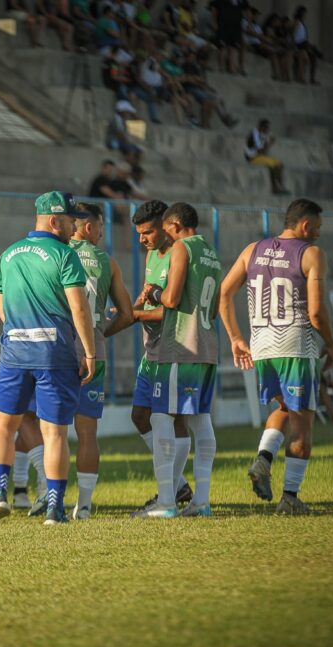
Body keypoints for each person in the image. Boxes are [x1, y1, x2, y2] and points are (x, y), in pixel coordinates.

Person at [0, 191, 97, 525]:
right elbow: (79, 309)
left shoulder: (8, 254)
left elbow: (2, 311)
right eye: (71, 221)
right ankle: (55, 508)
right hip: (54, 353)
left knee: (2, 425)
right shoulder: (64, 255)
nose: (75, 227)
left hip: (14, 352)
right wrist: (89, 352)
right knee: (54, 433)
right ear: (54, 220)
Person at [218, 198, 333, 515]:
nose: (318, 234)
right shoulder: (311, 254)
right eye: (318, 228)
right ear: (306, 225)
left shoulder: (252, 249)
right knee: (303, 428)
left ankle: (263, 460)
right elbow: (314, 312)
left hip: (263, 347)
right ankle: (290, 497)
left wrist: (235, 338)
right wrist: (332, 343)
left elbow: (224, 293)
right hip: (296, 346)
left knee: (283, 407)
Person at [135, 202, 221, 518]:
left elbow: (171, 299)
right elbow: (213, 308)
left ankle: (167, 502)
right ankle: (201, 501)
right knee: (200, 420)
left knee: (161, 418)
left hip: (180, 347)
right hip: (208, 345)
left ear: (172, 224)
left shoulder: (182, 248)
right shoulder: (211, 251)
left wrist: (154, 292)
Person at [63, 202, 134, 519]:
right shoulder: (108, 262)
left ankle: (46, 497)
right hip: (95, 350)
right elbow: (128, 314)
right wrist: (101, 332)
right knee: (87, 432)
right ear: (88, 227)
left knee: (51, 428)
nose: (102, 234)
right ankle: (86, 505)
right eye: (101, 228)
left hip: (60, 347)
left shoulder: (59, 253)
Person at [130, 200, 193, 513]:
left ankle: (170, 491)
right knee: (139, 416)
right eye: (139, 233)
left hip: (173, 350)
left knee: (173, 418)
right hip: (150, 350)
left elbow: (170, 309)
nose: (143, 239)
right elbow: (148, 295)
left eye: (148, 232)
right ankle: (178, 485)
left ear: (167, 225)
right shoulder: (151, 254)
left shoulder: (181, 254)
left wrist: (136, 313)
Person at [245, 119, 286, 195]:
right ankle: (278, 187)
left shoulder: (263, 134)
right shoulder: (254, 134)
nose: (268, 130)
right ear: (261, 127)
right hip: (253, 158)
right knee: (274, 165)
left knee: (280, 164)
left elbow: (265, 151)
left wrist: (268, 142)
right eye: (267, 128)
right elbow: (261, 151)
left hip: (260, 157)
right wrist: (270, 143)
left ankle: (279, 187)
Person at [212, 0, 245, 75]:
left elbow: (246, 11)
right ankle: (221, 68)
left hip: (236, 28)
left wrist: (245, 25)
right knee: (223, 47)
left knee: (235, 48)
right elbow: (214, 9)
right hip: (223, 26)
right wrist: (214, 22)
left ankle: (232, 68)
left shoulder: (241, 1)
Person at [291, 6, 320, 85]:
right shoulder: (296, 21)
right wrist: (294, 47)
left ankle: (312, 78)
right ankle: (300, 77)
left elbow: (303, 37)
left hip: (304, 44)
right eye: (304, 13)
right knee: (304, 58)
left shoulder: (302, 24)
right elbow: (293, 35)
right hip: (298, 45)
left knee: (314, 58)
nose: (305, 15)